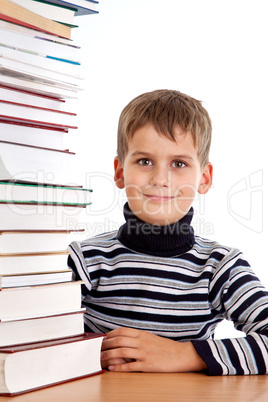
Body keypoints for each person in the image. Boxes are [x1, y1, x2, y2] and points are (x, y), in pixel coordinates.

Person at [68, 89, 268, 375]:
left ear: (204, 178)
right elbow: (33, 339)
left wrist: (184, 354)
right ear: (120, 171)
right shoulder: (84, 261)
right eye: (145, 161)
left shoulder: (220, 267)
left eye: (179, 164)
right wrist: (85, 354)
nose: (160, 179)